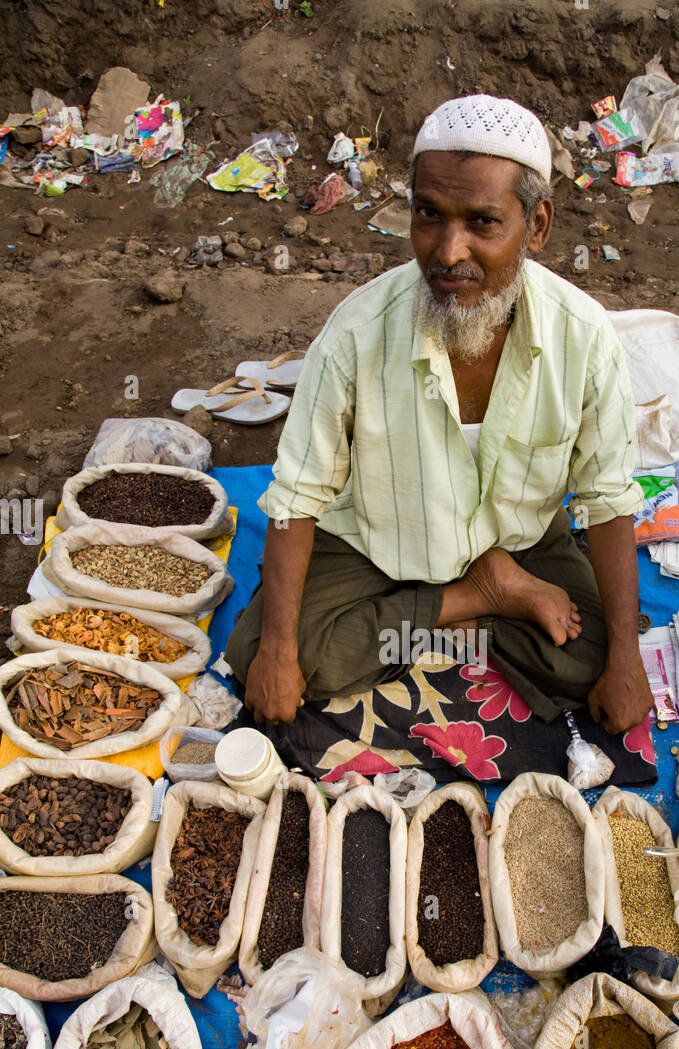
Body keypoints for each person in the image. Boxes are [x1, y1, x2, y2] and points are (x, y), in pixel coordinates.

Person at [226, 94, 653, 734]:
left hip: (520, 537)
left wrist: (626, 657)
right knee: (270, 658)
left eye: (483, 222)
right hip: (377, 541)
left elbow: (609, 498)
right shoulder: (356, 335)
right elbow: (297, 496)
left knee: (596, 661)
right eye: (429, 215)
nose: (448, 253)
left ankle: (467, 594)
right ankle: (476, 597)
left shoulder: (583, 336)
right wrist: (281, 651)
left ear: (536, 226)